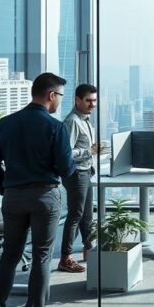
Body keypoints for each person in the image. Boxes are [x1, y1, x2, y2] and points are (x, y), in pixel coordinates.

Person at [0, 72, 74, 307]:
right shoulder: (55, 127)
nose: (59, 102)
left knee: (9, 256)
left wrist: (5, 187)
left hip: (12, 197)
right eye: (59, 96)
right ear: (50, 95)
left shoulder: (5, 123)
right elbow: (67, 168)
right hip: (44, 196)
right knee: (42, 256)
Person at [58, 83, 105, 273]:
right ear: (77, 100)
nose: (93, 104)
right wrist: (89, 150)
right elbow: (66, 153)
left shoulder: (85, 119)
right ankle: (65, 258)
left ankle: (89, 249)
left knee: (87, 215)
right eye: (88, 101)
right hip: (76, 173)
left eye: (94, 101)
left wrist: (94, 151)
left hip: (86, 170)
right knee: (75, 215)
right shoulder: (72, 121)